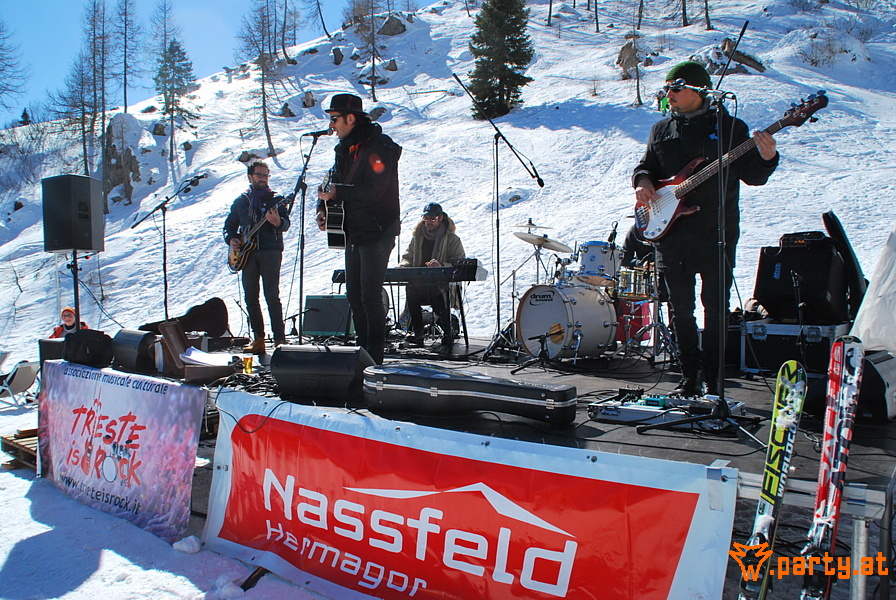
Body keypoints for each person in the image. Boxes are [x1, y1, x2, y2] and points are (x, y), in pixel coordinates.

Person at [632, 61, 779, 396]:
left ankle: (714, 378)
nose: (668, 95)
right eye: (666, 88)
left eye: (676, 88)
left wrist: (767, 157)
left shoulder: (730, 129)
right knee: (679, 308)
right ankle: (688, 376)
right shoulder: (661, 130)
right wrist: (642, 183)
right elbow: (647, 166)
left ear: (699, 91)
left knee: (715, 306)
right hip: (670, 232)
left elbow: (753, 175)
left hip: (716, 232)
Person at [316, 93, 401, 364]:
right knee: (354, 296)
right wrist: (323, 210)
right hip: (353, 231)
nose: (332, 126)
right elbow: (333, 183)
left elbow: (374, 191)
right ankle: (362, 355)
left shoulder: (380, 147)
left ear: (351, 118)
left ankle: (374, 359)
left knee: (370, 297)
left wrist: (337, 191)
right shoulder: (343, 149)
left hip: (378, 231)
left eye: (335, 119)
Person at [224, 159, 290, 354]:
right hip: (247, 254)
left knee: (272, 295)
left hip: (271, 251)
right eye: (259, 175)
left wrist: (277, 221)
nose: (263, 179)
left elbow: (286, 224)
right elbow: (229, 227)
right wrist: (232, 240)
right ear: (250, 177)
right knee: (251, 297)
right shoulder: (241, 202)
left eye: (266, 175)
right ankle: (258, 338)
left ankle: (279, 339)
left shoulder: (276, 200)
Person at [399, 202, 466, 350]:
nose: (428, 222)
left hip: (441, 285)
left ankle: (448, 332)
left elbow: (459, 263)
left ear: (440, 218)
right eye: (425, 218)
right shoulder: (417, 237)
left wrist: (441, 265)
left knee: (435, 293)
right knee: (410, 289)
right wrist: (404, 265)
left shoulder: (452, 239)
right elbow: (408, 256)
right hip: (419, 283)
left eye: (432, 219)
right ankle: (418, 333)